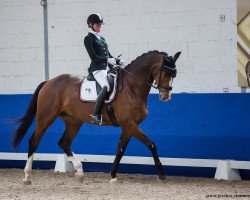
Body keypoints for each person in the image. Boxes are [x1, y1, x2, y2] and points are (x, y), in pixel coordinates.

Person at [84, 13, 124, 125]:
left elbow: (108, 54)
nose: (100, 26)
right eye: (97, 24)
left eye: (100, 24)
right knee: (106, 87)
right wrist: (108, 60)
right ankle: (95, 115)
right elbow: (94, 57)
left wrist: (116, 60)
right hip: (97, 69)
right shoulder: (88, 39)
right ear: (90, 25)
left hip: (106, 69)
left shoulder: (101, 38)